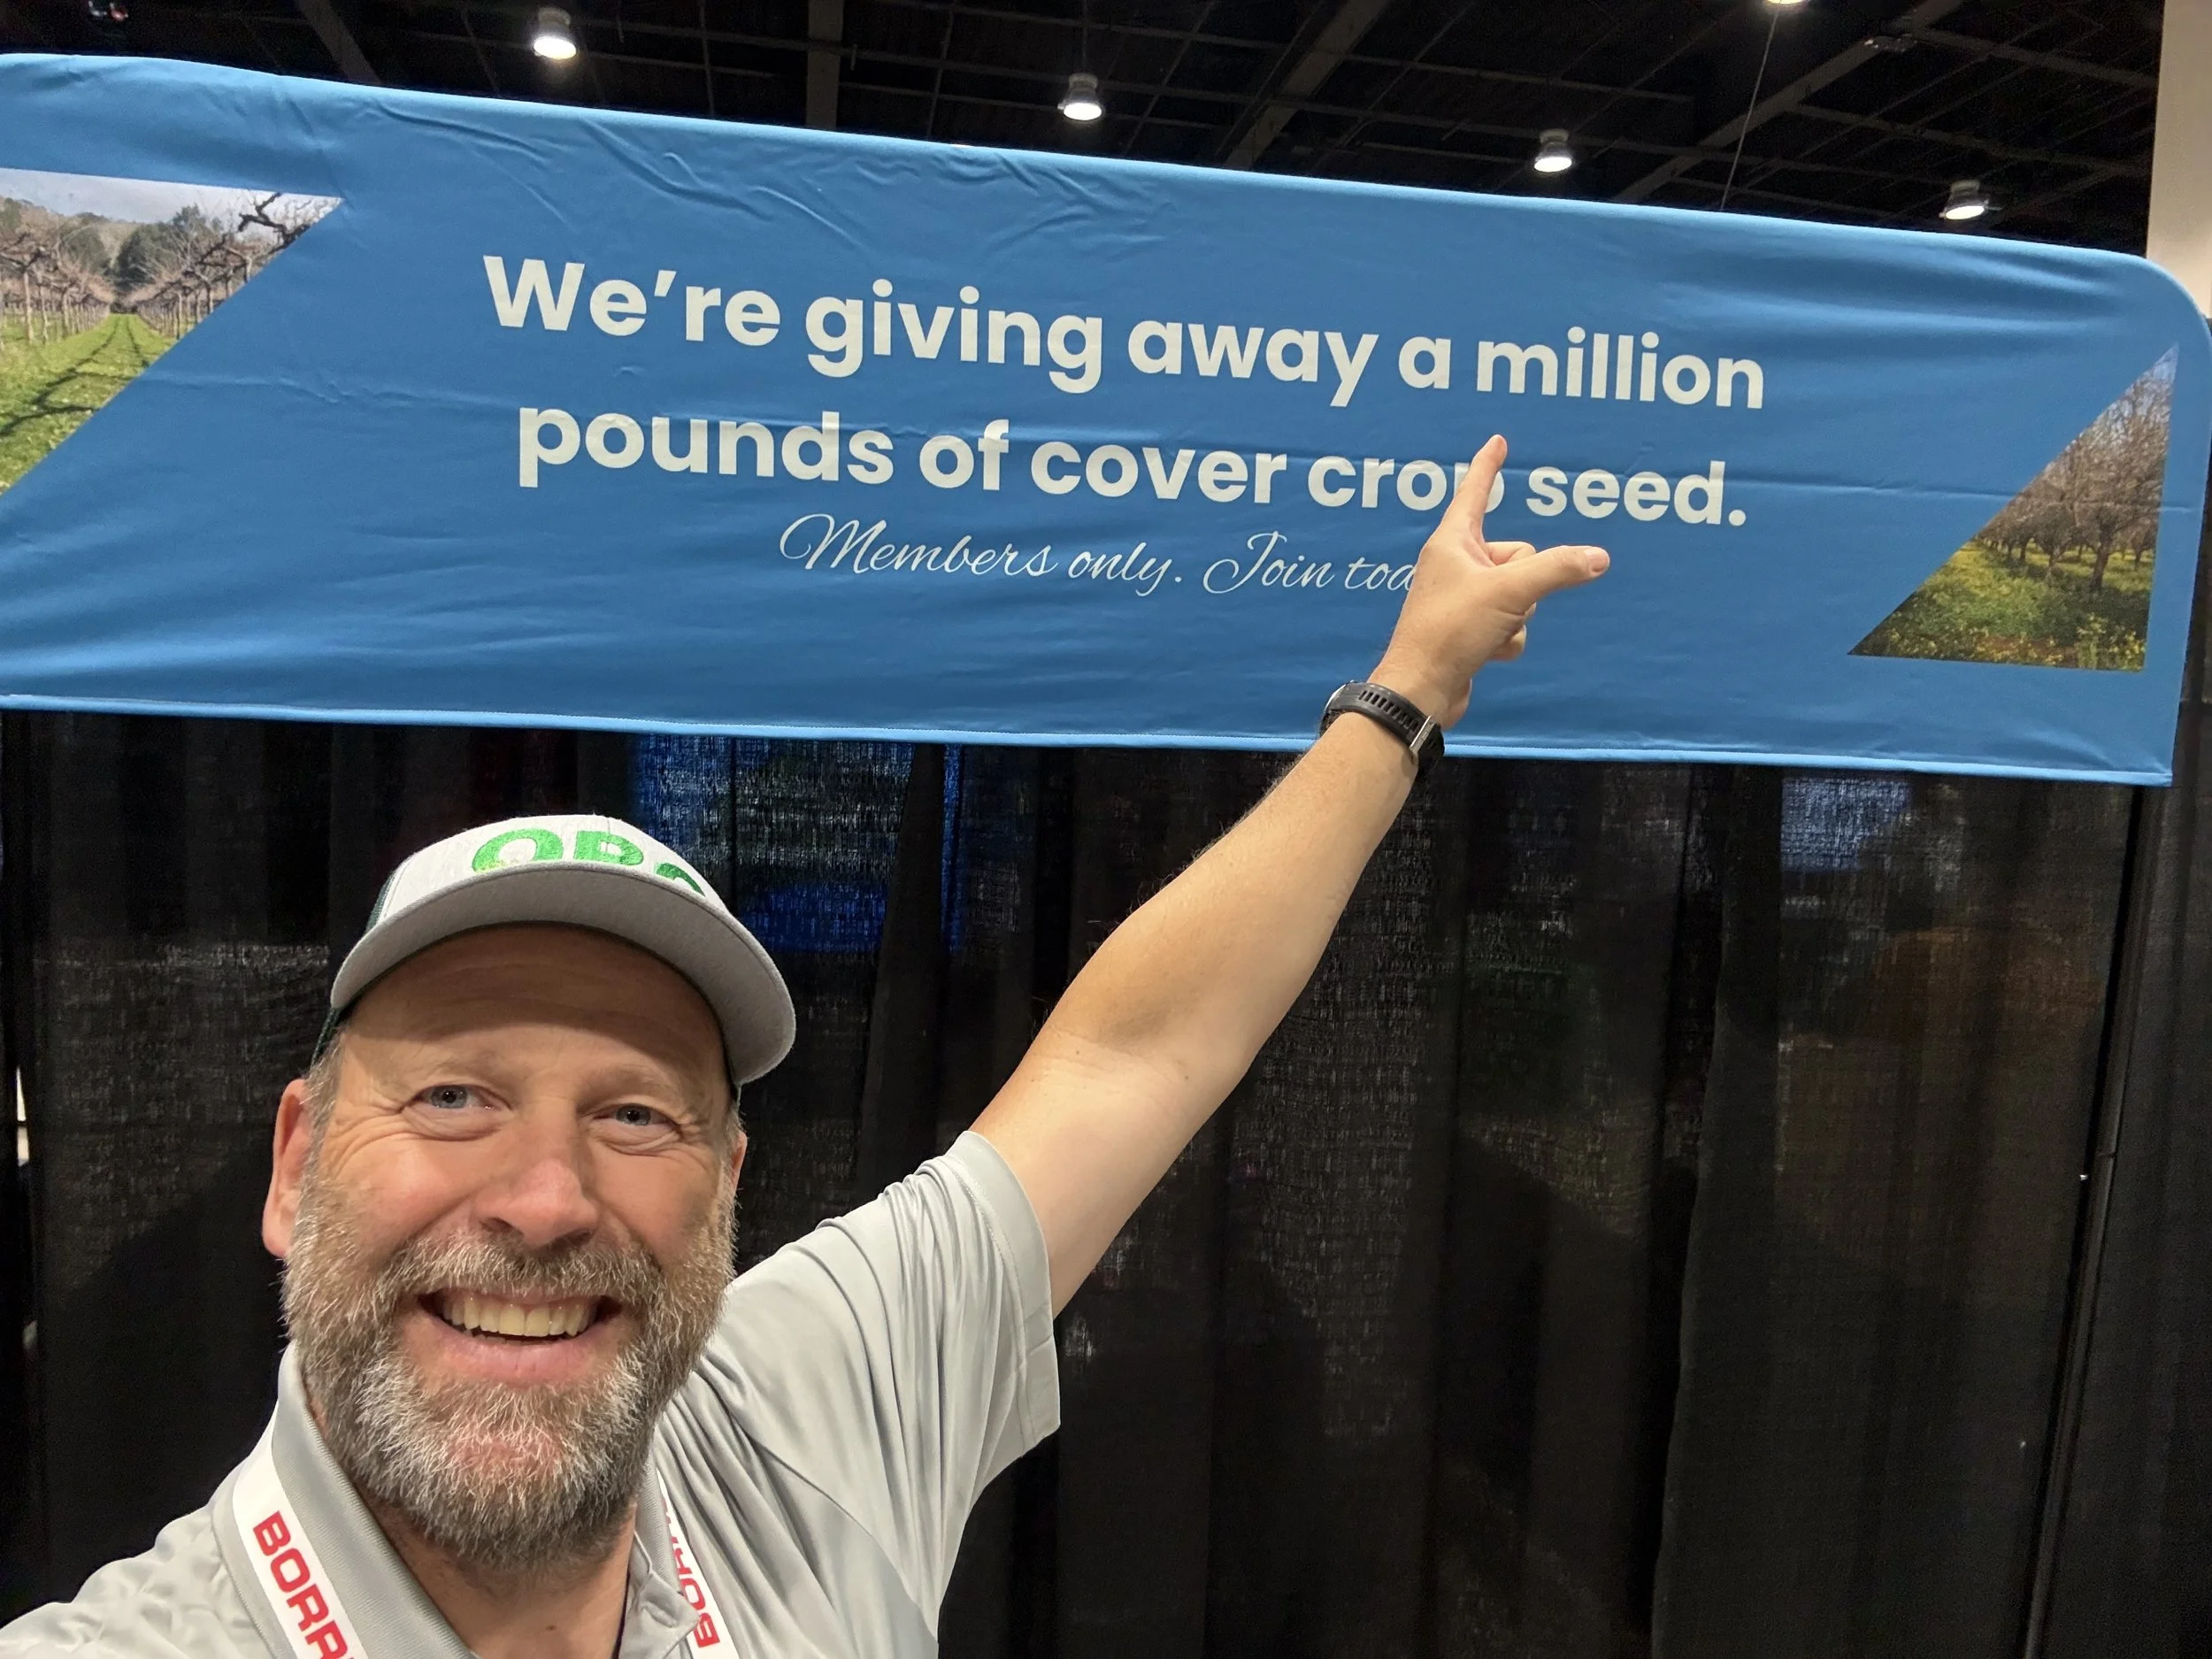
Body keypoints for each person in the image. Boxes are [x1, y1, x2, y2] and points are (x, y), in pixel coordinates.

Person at [0, 436, 1605, 1659]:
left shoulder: (791, 1409)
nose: (549, 1195)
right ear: (293, 1163)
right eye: (455, 1094)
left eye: (637, 1113)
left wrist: (1406, 692)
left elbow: (1136, 1051)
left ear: (727, 1192)